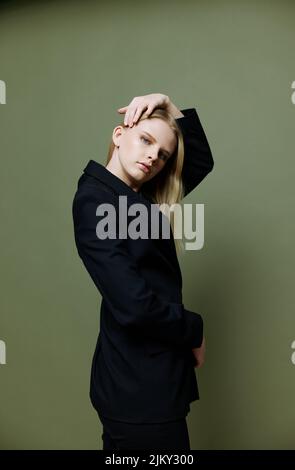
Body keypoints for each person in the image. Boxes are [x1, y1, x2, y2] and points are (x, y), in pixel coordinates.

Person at [72, 93, 214, 450]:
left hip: (155, 380)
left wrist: (168, 105)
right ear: (119, 135)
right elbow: (135, 305)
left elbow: (198, 162)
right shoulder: (96, 201)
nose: (153, 156)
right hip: (137, 388)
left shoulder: (140, 195)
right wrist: (193, 329)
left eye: (162, 154)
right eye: (146, 140)